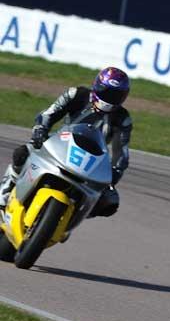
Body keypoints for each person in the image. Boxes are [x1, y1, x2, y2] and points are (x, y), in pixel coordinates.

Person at [0, 67, 133, 217]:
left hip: (91, 163)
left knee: (110, 202)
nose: (110, 99)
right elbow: (49, 113)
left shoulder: (122, 118)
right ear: (97, 86)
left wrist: (114, 174)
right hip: (59, 147)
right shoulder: (77, 94)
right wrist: (40, 130)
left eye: (116, 95)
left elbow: (122, 153)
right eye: (107, 92)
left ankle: (70, 218)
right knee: (22, 153)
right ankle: (4, 195)